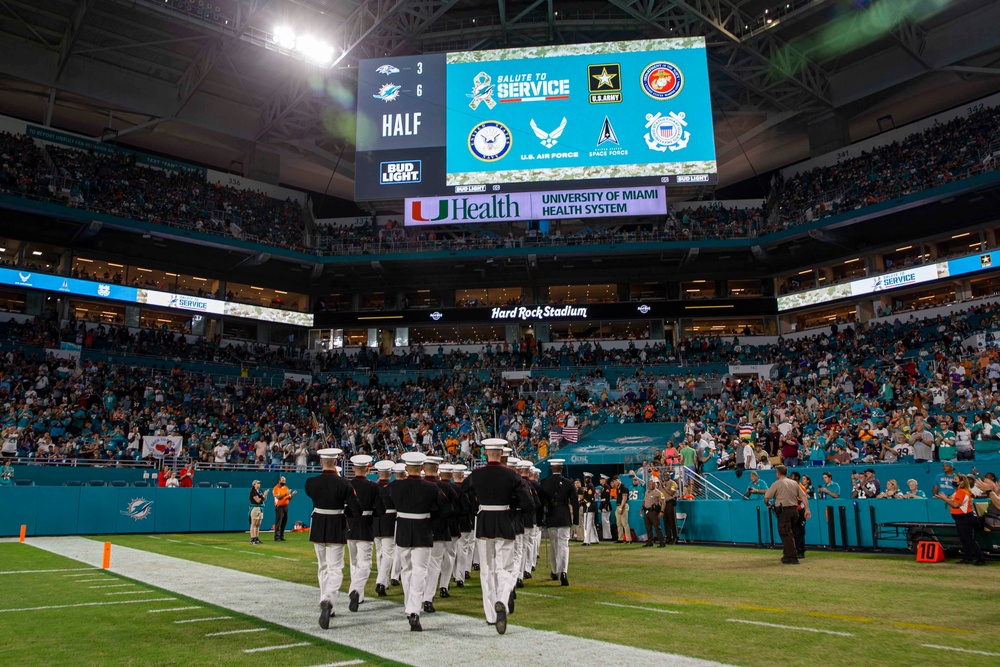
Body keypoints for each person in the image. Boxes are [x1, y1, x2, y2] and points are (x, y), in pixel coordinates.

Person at [467, 438, 533, 635]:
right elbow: (529, 503)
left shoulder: (476, 474)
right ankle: (502, 600)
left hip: (484, 521)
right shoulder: (512, 476)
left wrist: (476, 508)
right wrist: (513, 507)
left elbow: (463, 493)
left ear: (486, 453)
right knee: (504, 568)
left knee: (486, 569)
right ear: (502, 454)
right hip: (505, 522)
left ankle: (490, 614)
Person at [305, 448, 362, 629]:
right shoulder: (344, 484)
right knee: (335, 568)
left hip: (318, 524)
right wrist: (346, 512)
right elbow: (357, 509)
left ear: (322, 462)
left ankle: (327, 602)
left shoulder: (311, 483)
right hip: (336, 524)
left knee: (322, 566)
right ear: (336, 462)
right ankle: (328, 600)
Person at [390, 451, 447, 632]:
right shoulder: (431, 488)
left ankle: (410, 607)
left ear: (406, 469)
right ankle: (414, 609)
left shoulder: (395, 487)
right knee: (420, 571)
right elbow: (446, 508)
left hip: (403, 530)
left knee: (406, 570)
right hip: (423, 529)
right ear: (422, 468)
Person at [421, 456, 457, 613]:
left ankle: (415, 598)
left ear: (423, 468)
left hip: (420, 529)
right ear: (437, 470)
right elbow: (454, 508)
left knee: (418, 566)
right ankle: (428, 599)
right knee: (435, 565)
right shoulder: (446, 487)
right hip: (440, 530)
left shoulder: (418, 485)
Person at [346, 454, 379, 613]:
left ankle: (358, 594)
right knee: (364, 562)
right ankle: (356, 590)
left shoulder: (347, 484)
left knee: (354, 562)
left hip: (350, 525)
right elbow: (381, 510)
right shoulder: (373, 487)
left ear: (353, 468)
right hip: (366, 525)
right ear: (368, 468)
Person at [539, 458, 578, 586]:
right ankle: (564, 572)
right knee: (563, 545)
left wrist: (540, 520)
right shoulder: (568, 483)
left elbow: (541, 504)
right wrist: (576, 520)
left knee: (554, 545)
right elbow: (575, 503)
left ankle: (555, 570)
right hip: (564, 516)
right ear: (561, 468)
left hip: (551, 516)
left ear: (551, 468)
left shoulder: (545, 483)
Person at [935, 474, 987, 566]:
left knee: (969, 539)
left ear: (962, 482)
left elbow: (955, 505)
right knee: (964, 539)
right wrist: (944, 498)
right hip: (960, 518)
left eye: (956, 479)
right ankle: (968, 558)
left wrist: (944, 499)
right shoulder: (958, 491)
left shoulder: (962, 492)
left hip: (965, 518)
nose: (953, 480)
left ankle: (980, 558)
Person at [763, 465, 811, 564]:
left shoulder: (777, 483)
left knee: (785, 533)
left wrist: (767, 504)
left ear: (778, 473)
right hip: (794, 510)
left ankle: (792, 556)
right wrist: (807, 509)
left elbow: (767, 497)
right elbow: (804, 496)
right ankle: (787, 554)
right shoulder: (794, 483)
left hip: (784, 511)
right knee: (791, 532)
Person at [372, 459, 396, 598]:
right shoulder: (393, 487)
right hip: (389, 521)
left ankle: (384, 581)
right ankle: (381, 582)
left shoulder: (373, 487)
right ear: (390, 473)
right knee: (388, 554)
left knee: (380, 552)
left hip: (376, 521)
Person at [643, 479, 667, 547]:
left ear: (656, 485)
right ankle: (649, 542)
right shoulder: (647, 492)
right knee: (648, 527)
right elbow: (644, 501)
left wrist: (662, 511)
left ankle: (662, 542)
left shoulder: (658, 492)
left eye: (653, 484)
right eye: (650, 484)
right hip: (647, 511)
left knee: (657, 527)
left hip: (653, 512)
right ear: (648, 485)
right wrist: (642, 509)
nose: (651, 485)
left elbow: (663, 502)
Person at [272, 476, 296, 542]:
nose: (284, 481)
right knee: (278, 522)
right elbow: (278, 497)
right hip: (279, 507)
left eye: (284, 480)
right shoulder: (276, 488)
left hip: (285, 507)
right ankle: (277, 537)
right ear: (279, 481)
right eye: (282, 480)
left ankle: (281, 536)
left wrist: (292, 495)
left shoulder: (286, 488)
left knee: (284, 522)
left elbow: (288, 498)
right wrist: (285, 494)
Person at [248, 480, 268, 545]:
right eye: (258, 483)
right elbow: (258, 500)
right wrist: (263, 495)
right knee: (253, 524)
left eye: (259, 483)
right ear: (254, 485)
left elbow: (264, 500)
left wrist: (265, 495)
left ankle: (256, 538)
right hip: (255, 508)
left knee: (258, 524)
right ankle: (252, 538)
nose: (259, 484)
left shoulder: (259, 491)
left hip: (260, 508)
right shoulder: (253, 492)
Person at [581, 472, 599, 545]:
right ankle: (594, 539)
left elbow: (589, 498)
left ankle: (586, 540)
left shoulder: (590, 487)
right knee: (591, 524)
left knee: (587, 524)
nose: (585, 479)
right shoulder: (588, 487)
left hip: (589, 506)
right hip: (588, 506)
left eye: (587, 478)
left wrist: (582, 501)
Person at [661, 473, 679, 544]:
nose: (666, 477)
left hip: (670, 502)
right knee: (666, 521)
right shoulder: (661, 483)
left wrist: (664, 487)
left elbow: (671, 493)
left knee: (672, 521)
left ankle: (675, 537)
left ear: (669, 476)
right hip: (663, 503)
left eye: (667, 475)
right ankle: (668, 537)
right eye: (664, 475)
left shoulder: (673, 483)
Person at [614, 476, 631, 543]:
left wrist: (621, 507)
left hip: (623, 506)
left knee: (624, 523)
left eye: (615, 481)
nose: (615, 483)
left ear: (618, 480)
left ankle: (628, 539)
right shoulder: (618, 488)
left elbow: (624, 498)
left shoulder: (624, 487)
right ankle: (620, 538)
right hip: (618, 506)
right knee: (618, 523)